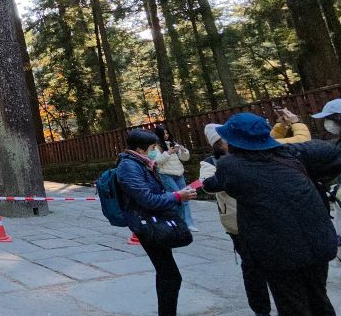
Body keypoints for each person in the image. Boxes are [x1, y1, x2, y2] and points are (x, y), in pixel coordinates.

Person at [203, 113, 341, 316]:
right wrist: (318, 178)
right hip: (318, 242)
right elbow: (335, 156)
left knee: (292, 304)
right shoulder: (293, 153)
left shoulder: (231, 166)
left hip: (279, 252)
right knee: (319, 298)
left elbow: (212, 184)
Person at [116, 129, 198, 316]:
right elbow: (147, 199)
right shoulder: (129, 166)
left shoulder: (141, 163)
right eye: (153, 147)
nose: (155, 151)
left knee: (168, 274)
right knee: (170, 276)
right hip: (146, 223)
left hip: (153, 220)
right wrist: (177, 196)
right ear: (140, 148)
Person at [199, 124, 271, 316]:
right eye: (225, 139)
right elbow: (208, 185)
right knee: (252, 267)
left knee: (273, 263)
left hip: (264, 218)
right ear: (217, 143)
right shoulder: (210, 162)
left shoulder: (250, 155)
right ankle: (261, 309)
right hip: (236, 223)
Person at [153, 125, 196, 231]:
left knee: (185, 198)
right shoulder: (156, 146)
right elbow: (157, 161)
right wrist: (168, 153)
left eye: (167, 133)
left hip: (179, 173)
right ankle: (178, 223)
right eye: (164, 133)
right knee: (177, 198)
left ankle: (188, 223)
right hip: (166, 174)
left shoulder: (173, 143)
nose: (166, 135)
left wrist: (183, 150)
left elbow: (185, 158)